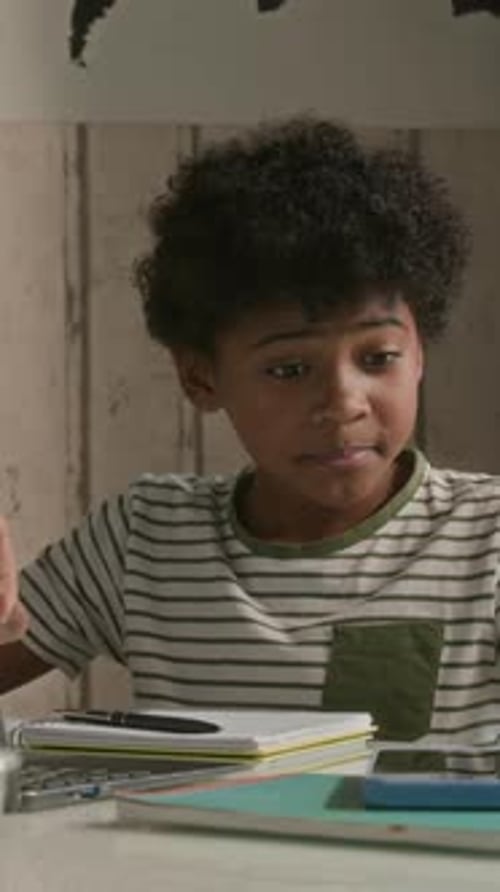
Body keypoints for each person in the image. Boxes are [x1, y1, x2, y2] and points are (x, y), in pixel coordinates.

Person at [0, 115, 495, 753]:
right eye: (290, 369)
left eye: (378, 358)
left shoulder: (488, 540)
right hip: (178, 856)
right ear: (202, 378)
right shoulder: (143, 538)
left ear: (420, 353)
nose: (345, 401)